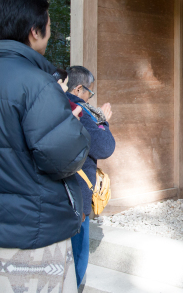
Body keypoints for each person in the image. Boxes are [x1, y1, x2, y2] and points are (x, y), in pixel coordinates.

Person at [0, 0, 91, 293]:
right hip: (35, 229)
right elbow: (64, 157)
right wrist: (74, 128)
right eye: (49, 27)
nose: (50, 34)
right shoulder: (37, 83)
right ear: (34, 31)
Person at [65, 66, 116, 288]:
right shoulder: (80, 110)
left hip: (52, 192)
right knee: (77, 253)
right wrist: (103, 121)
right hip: (76, 192)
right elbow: (104, 148)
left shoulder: (52, 104)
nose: (90, 97)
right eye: (90, 92)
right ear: (78, 89)